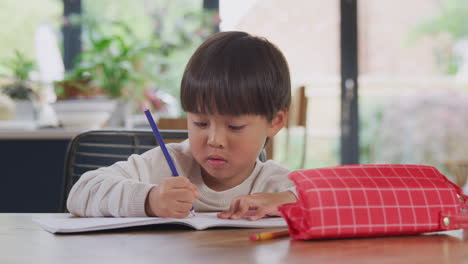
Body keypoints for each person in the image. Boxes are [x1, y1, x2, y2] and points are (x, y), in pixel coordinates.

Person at [67, 31, 297, 221]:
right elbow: (81, 192)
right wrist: (150, 200)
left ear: (275, 122)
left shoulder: (275, 183)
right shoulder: (163, 164)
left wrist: (285, 200)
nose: (214, 139)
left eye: (234, 126)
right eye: (200, 123)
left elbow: (331, 197)